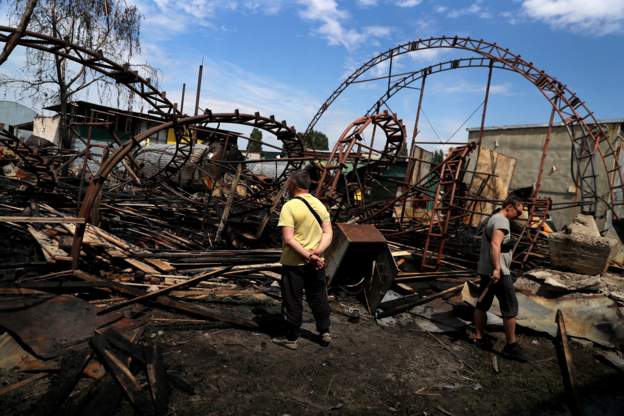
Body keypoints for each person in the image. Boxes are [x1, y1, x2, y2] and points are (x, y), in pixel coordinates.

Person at [272, 170, 333, 350]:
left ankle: (291, 338)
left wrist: (308, 256)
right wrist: (317, 253)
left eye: (288, 182)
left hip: (294, 264)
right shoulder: (320, 206)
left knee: (293, 300)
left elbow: (289, 239)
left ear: (293, 184)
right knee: (319, 297)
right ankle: (325, 332)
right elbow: (329, 232)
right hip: (317, 263)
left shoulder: (289, 206)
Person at [473, 195, 528, 362]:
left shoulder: (494, 218)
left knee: (482, 303)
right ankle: (511, 345)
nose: (519, 215)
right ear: (510, 206)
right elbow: (495, 244)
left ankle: (479, 337)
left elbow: (498, 244)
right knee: (510, 307)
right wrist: (497, 269)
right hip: (498, 273)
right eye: (518, 211)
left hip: (486, 270)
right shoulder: (502, 221)